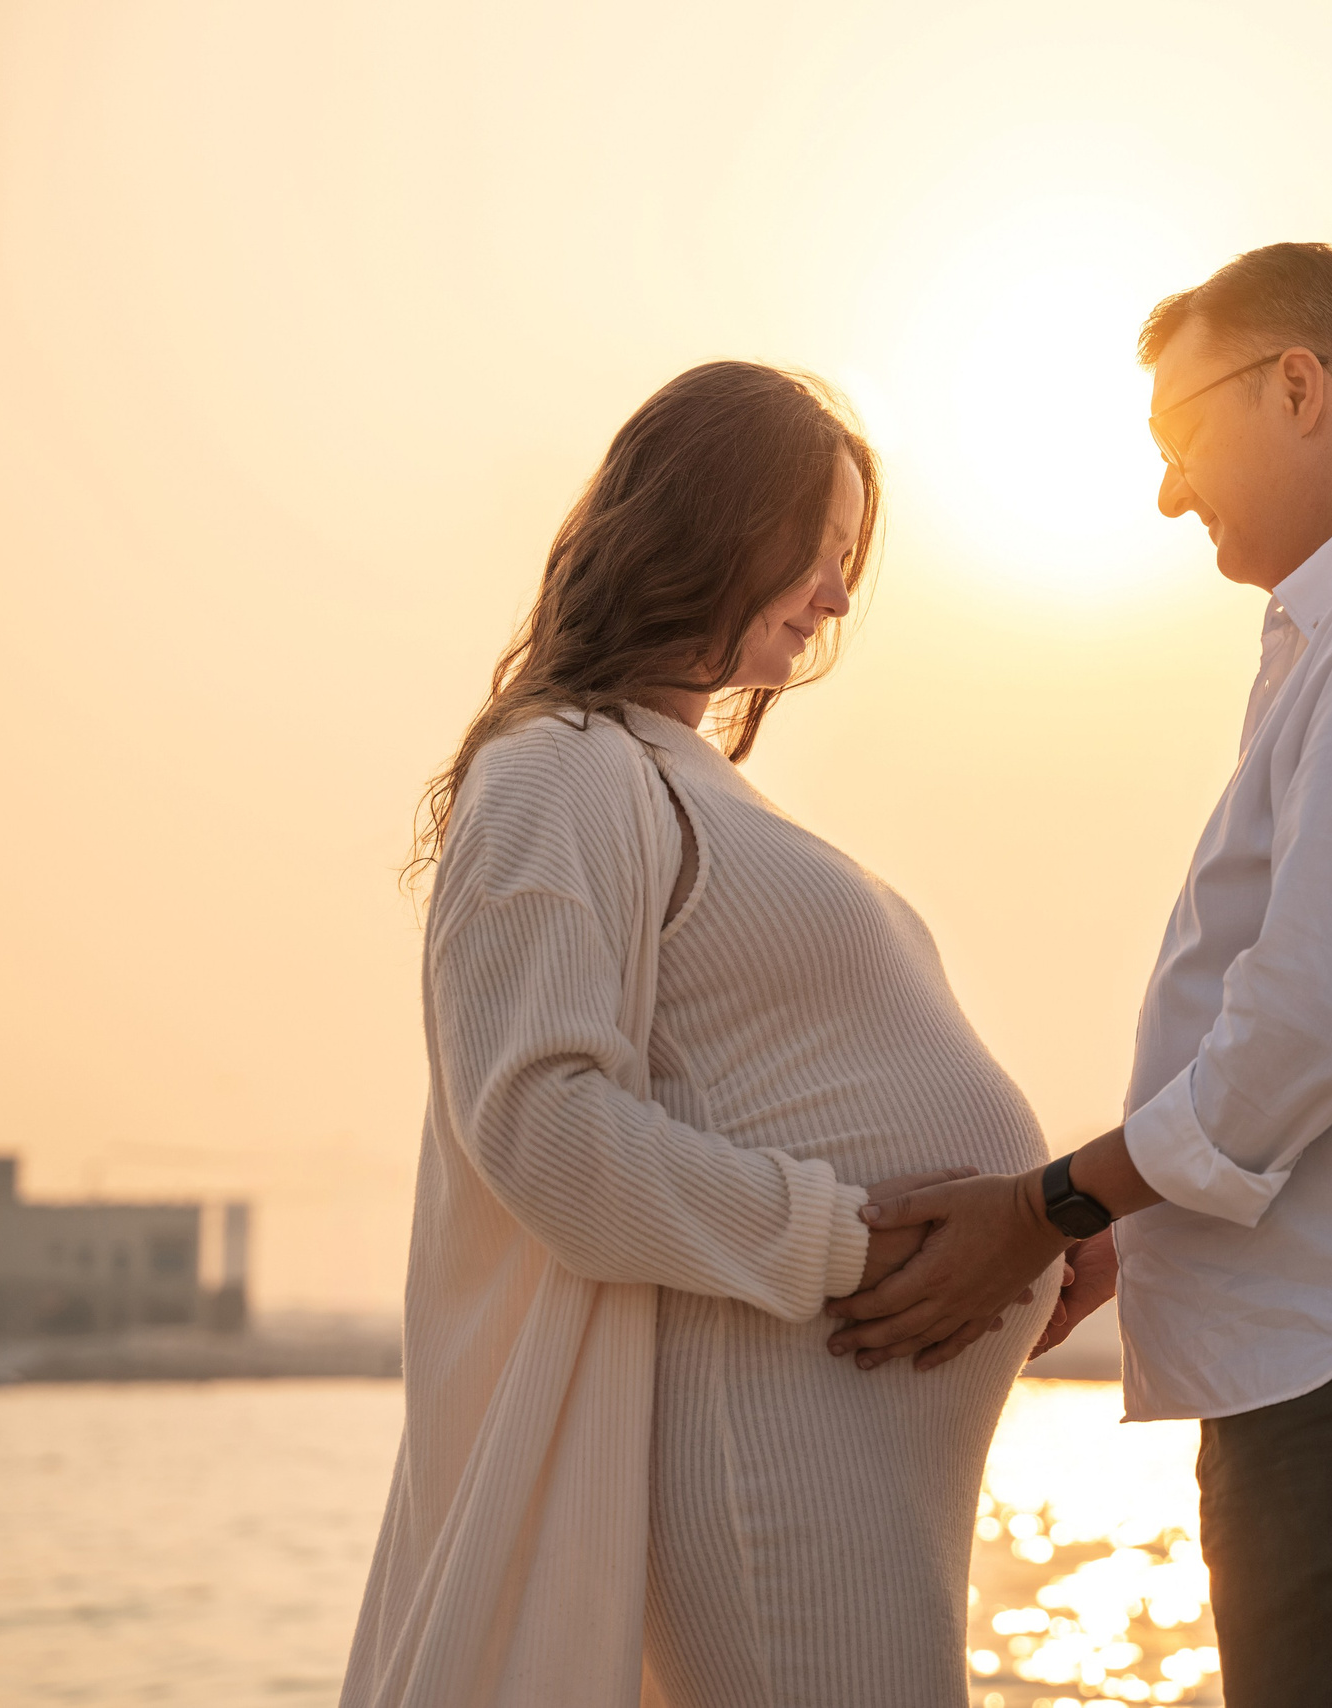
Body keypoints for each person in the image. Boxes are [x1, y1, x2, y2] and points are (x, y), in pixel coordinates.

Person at [827, 243, 1332, 1708]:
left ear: (1298, 387)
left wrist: (1048, 1205)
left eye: (1179, 438)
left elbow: (1316, 1024)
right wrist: (1151, 1228)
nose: (1169, 493)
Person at [340, 361, 1051, 1708]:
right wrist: (847, 1238)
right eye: (820, 551)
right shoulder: (560, 768)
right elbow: (540, 1127)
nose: (841, 598)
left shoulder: (680, 778)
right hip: (772, 1426)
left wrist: (1018, 1235)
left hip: (843, 1435)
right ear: (712, 527)